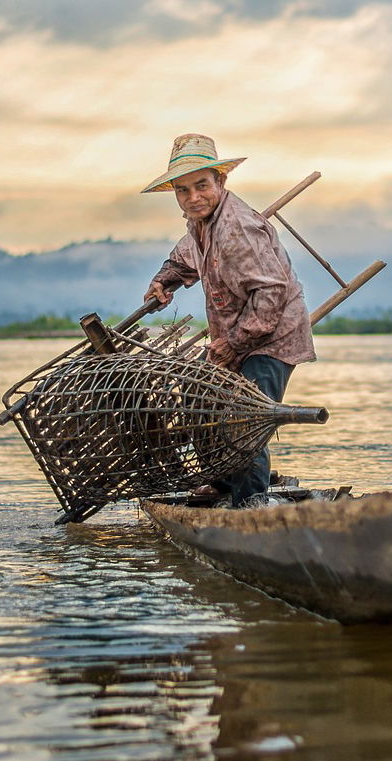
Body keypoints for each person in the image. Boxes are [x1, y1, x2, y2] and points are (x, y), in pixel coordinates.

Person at [139, 133, 315, 506]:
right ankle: (223, 483)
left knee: (245, 419)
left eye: (202, 185)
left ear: (221, 181)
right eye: (183, 190)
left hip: (271, 338)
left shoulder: (238, 228)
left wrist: (232, 344)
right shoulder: (200, 222)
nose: (193, 197)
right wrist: (164, 279)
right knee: (199, 397)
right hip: (237, 334)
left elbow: (271, 294)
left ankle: (251, 505)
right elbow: (186, 256)